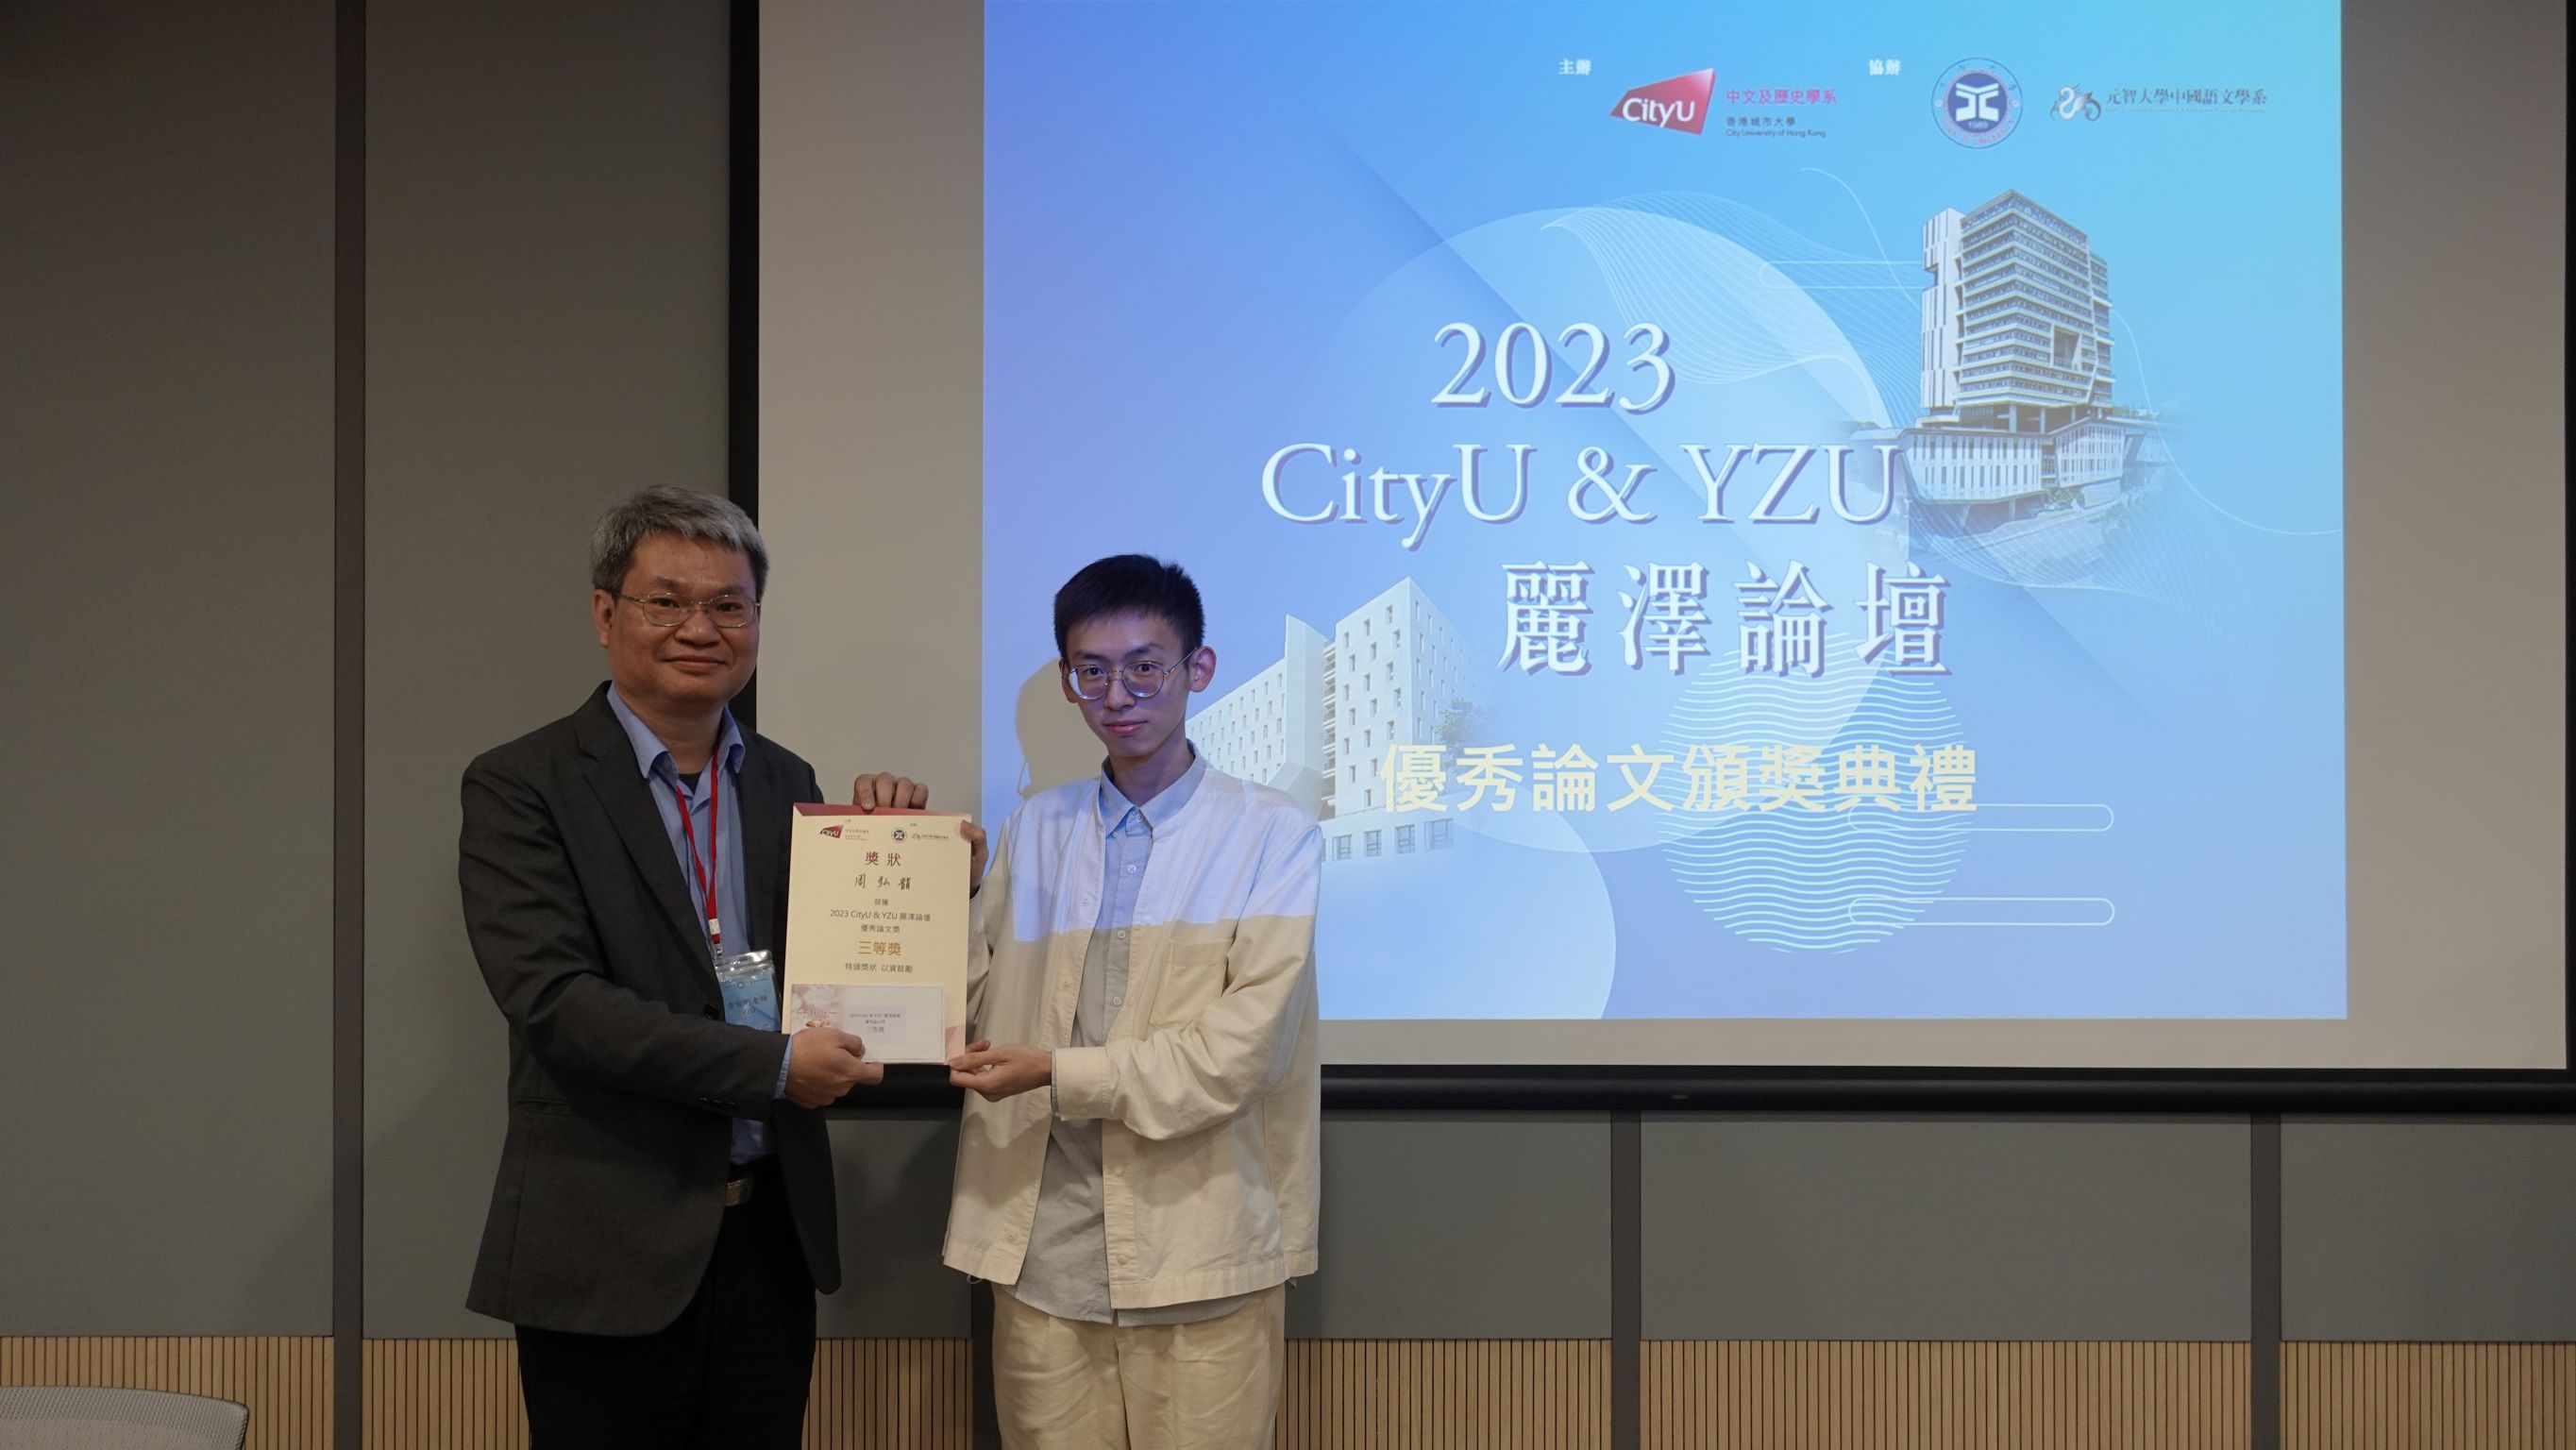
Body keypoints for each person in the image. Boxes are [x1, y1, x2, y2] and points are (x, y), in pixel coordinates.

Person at [457, 485, 948, 1448]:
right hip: (608, 1238)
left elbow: (832, 967)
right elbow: (555, 1003)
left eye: (729, 604)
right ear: (605, 614)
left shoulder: (786, 781)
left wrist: (914, 866)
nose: (700, 628)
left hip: (768, 1236)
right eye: (666, 601)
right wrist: (772, 1067)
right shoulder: (522, 784)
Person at [940, 554, 1322, 1448]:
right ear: (1068, 682)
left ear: (1198, 668)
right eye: (1093, 671)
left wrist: (1057, 1072)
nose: (1119, 695)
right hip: (1044, 1252)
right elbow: (968, 1007)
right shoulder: (1035, 828)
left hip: (1200, 1249)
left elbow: (1240, 1052)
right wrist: (939, 896)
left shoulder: (1271, 833)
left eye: (1145, 666)